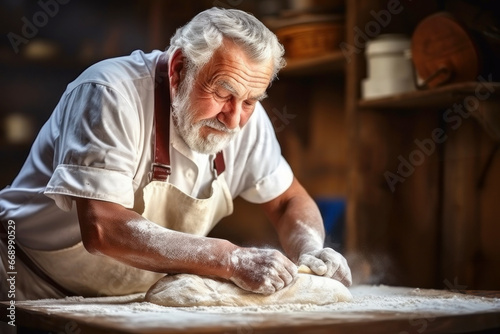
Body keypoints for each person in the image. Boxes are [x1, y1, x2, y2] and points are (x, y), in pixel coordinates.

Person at [0, 7, 351, 301]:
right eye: (223, 93)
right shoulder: (110, 93)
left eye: (249, 101)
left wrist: (310, 250)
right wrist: (230, 258)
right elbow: (102, 227)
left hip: (124, 300)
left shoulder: (246, 117)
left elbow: (288, 200)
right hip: (26, 279)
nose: (234, 119)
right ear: (178, 68)